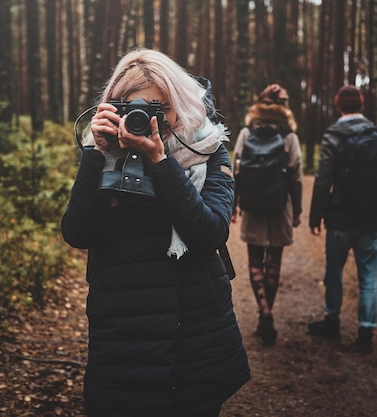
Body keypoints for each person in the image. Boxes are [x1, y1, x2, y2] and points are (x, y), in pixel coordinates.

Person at [61, 48, 250, 417]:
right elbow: (77, 233)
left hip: (194, 333)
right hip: (123, 333)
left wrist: (160, 163)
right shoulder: (102, 153)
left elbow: (210, 232)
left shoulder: (208, 150)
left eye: (159, 108)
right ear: (113, 110)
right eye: (133, 108)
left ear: (180, 105)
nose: (147, 119)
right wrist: (95, 156)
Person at [307, 84, 377, 353]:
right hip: (372, 218)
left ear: (338, 105)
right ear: (361, 105)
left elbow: (323, 179)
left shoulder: (334, 135)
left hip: (341, 218)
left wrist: (315, 215)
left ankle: (332, 320)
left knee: (335, 271)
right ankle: (366, 331)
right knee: (368, 276)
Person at [231, 84, 303, 344]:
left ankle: (264, 310)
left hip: (252, 205)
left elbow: (236, 172)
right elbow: (295, 176)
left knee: (254, 261)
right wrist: (296, 210)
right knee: (273, 262)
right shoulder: (289, 137)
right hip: (279, 206)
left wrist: (233, 206)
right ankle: (267, 313)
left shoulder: (246, 133)